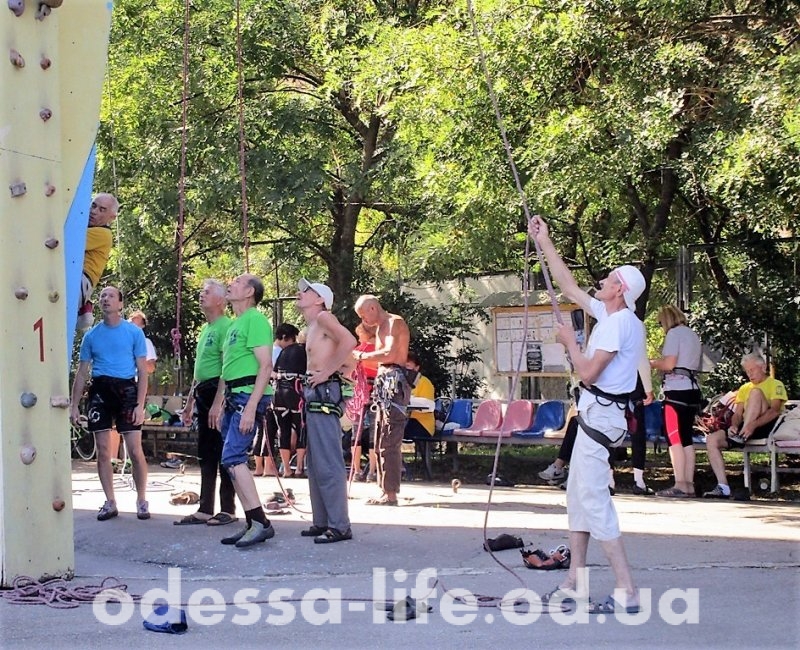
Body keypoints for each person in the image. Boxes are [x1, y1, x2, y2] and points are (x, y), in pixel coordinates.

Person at [529, 215, 644, 614]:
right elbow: (569, 286)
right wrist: (545, 242)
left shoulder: (619, 324)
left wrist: (570, 341)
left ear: (620, 289)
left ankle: (626, 589)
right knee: (578, 499)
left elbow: (588, 371)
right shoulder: (613, 317)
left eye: (610, 278)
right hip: (596, 419)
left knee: (594, 502)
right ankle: (574, 580)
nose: (603, 280)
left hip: (599, 420)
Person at [69, 286, 151, 521]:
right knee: (103, 451)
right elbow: (82, 373)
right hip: (100, 392)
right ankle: (110, 501)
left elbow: (143, 372)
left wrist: (140, 405)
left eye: (111, 296)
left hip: (126, 390)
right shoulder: (91, 336)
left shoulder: (134, 333)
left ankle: (142, 499)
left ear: (120, 304)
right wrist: (74, 404)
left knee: (135, 450)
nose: (105, 299)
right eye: (102, 296)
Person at [209, 274, 275, 548]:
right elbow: (231, 368)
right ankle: (252, 521)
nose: (230, 284)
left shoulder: (255, 320)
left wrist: (250, 408)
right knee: (230, 459)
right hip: (236, 395)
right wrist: (223, 400)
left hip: (248, 395)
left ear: (249, 292)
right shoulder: (237, 324)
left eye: (236, 282)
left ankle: (260, 522)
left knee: (233, 456)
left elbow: (265, 366)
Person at [297, 278, 357, 543]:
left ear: (320, 298)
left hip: (323, 392)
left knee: (328, 460)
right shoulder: (313, 326)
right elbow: (351, 361)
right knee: (316, 460)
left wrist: (327, 374)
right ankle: (323, 520)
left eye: (307, 291)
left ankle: (339, 525)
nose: (301, 293)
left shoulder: (324, 319)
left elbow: (350, 341)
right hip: (316, 392)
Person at [175, 280, 237, 526]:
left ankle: (228, 508)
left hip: (217, 392)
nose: (202, 295)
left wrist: (218, 402)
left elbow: (226, 366)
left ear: (221, 300)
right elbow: (199, 370)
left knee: (222, 451)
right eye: (201, 291)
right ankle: (205, 507)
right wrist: (190, 402)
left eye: (207, 292)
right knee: (205, 451)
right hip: (202, 391)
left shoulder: (226, 327)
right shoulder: (205, 329)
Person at [539, 369, 655, 495]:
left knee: (609, 434)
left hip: (615, 395)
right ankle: (625, 481)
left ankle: (615, 481)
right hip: (619, 392)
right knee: (592, 429)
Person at [703, 353, 787, 499]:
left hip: (765, 426)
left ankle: (741, 434)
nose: (749, 374)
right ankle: (723, 486)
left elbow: (774, 411)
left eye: (752, 370)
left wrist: (752, 425)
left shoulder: (776, 384)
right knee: (712, 439)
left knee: (755, 392)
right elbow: (737, 414)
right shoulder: (744, 388)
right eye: (747, 371)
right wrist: (733, 426)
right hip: (743, 429)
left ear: (763, 367)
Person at [354, 294, 411, 506]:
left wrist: (360, 356)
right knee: (378, 439)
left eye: (363, 315)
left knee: (389, 439)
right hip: (383, 383)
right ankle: (384, 489)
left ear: (372, 308)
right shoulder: (379, 327)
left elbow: (388, 353)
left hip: (394, 382)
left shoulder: (394, 322)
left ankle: (391, 493)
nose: (363, 320)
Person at [650, 305, 703, 498]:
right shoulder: (692, 334)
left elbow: (669, 364)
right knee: (687, 438)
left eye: (660, 322)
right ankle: (688, 483)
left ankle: (679, 483)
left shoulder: (673, 334)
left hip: (676, 391)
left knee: (674, 438)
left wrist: (651, 363)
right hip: (692, 390)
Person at [269, 323, 308, 478]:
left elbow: (274, 371)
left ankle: (286, 469)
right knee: (300, 429)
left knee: (283, 430)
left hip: (279, 392)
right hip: (296, 391)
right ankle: (299, 467)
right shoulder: (305, 352)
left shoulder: (283, 352)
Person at [77, 193, 119, 331]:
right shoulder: (89, 228)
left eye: (102, 210)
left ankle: (84, 306)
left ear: (111, 217)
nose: (94, 211)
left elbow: (68, 240)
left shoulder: (103, 234)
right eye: (93, 206)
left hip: (81, 280)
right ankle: (84, 307)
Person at [349, 323, 379, 481]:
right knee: (375, 433)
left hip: (359, 392)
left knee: (357, 433)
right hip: (376, 393)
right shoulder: (381, 351)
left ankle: (356, 470)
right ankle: (372, 471)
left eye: (360, 334)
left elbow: (350, 371)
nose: (358, 337)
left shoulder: (357, 351)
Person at [404, 351, 435, 439]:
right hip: (403, 420)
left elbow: (429, 405)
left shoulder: (424, 382)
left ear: (417, 368)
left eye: (408, 366)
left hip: (422, 424)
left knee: (394, 430)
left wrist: (407, 400)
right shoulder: (399, 381)